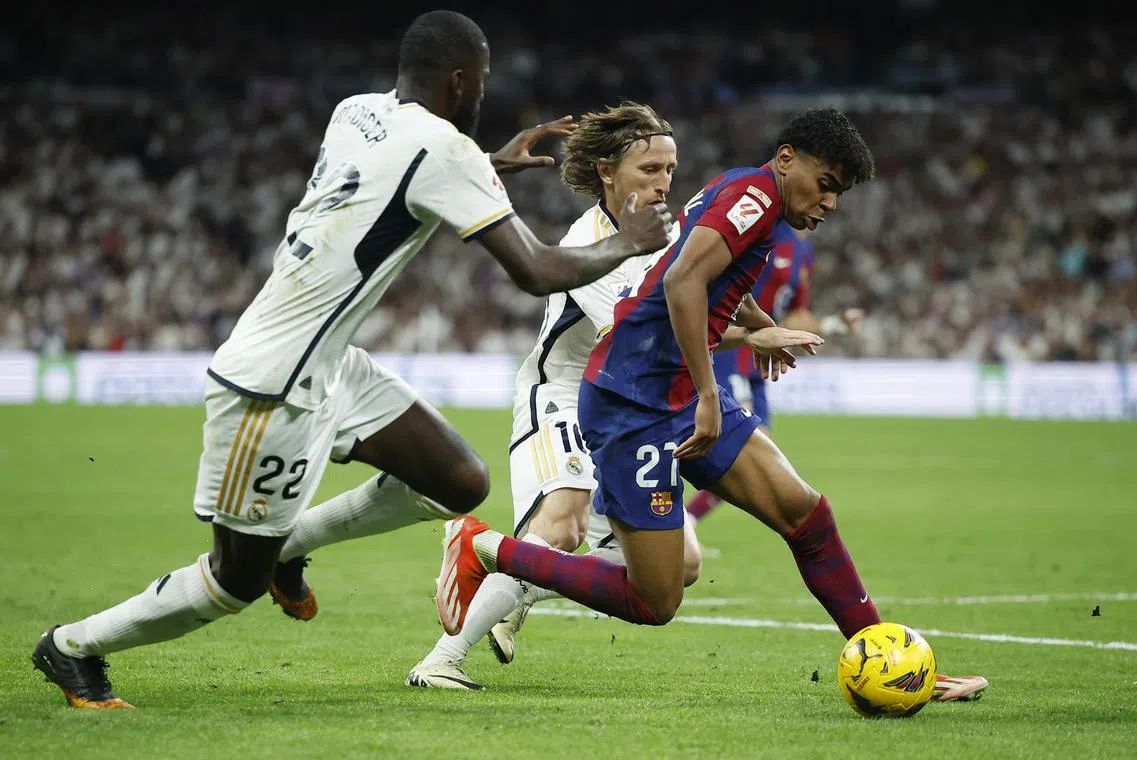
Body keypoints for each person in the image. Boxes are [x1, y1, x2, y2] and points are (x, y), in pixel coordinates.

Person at [31, 10, 673, 710]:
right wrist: (628, 241)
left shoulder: (356, 112)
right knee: (231, 582)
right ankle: (73, 647)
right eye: (483, 82)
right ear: (460, 80)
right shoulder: (444, 152)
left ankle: (291, 546)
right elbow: (537, 269)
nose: (485, 95)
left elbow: (390, 180)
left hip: (332, 361)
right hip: (271, 384)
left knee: (457, 481)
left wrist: (485, 170)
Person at [436, 107, 988, 702]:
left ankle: (887, 660)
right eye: (825, 184)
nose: (830, 203)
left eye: (839, 193)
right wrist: (707, 393)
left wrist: (760, 327)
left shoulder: (752, 200)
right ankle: (487, 547)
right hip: (632, 403)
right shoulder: (752, 195)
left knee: (804, 514)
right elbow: (683, 283)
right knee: (656, 600)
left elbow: (711, 273)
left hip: (668, 390)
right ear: (786, 159)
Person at [405, 102, 750, 689]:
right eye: (649, 170)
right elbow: (647, 329)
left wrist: (752, 324)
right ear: (608, 173)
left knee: (684, 565)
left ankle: (521, 584)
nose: (664, 182)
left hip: (624, 413)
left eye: (670, 168)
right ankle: (441, 660)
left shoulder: (670, 236)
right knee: (561, 523)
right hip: (560, 396)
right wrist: (753, 334)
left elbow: (704, 294)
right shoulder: (590, 243)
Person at [685, 222, 863, 521]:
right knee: (741, 453)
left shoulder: (803, 251)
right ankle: (670, 523)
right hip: (730, 351)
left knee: (754, 457)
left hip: (757, 360)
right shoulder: (767, 233)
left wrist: (834, 324)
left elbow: (795, 314)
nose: (827, 204)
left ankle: (685, 524)